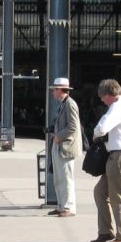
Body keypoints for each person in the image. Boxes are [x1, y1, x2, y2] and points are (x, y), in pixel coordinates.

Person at [90, 78, 121, 242]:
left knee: (118, 195)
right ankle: (106, 231)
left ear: (108, 95)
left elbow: (102, 127)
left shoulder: (117, 107)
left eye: (103, 97)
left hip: (120, 155)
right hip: (119, 154)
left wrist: (95, 134)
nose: (102, 101)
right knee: (100, 192)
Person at [47, 77, 82, 217]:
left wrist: (58, 136)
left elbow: (73, 127)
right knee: (59, 177)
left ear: (60, 90)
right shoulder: (64, 103)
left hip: (65, 146)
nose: (53, 93)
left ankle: (68, 207)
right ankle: (61, 205)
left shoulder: (70, 104)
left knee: (66, 178)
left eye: (54, 90)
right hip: (60, 145)